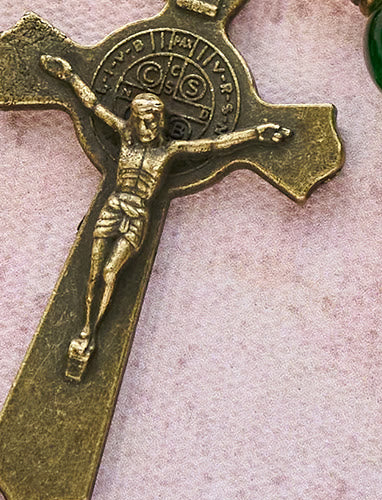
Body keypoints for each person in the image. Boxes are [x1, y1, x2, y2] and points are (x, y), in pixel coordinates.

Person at [39, 54, 290, 381]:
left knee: (111, 273)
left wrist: (256, 133)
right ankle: (85, 331)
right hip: (113, 206)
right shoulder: (124, 136)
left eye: (155, 121)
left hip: (137, 214)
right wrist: (69, 75)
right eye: (143, 120)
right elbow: (93, 106)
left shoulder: (168, 151)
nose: (149, 127)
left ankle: (91, 332)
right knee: (92, 274)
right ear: (133, 119)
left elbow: (214, 144)